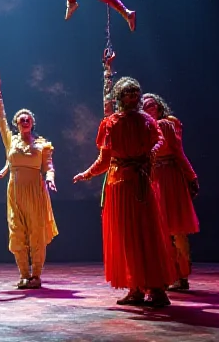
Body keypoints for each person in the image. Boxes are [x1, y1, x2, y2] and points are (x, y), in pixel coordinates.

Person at [73, 77, 175, 308]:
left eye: (135, 93)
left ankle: (157, 288)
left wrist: (148, 156)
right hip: (120, 186)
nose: (133, 97)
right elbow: (105, 159)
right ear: (120, 97)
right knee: (127, 238)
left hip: (139, 184)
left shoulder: (148, 121)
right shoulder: (111, 123)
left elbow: (158, 143)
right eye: (128, 94)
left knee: (147, 234)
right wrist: (87, 174)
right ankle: (135, 288)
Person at [0, 70, 58, 289]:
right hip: (15, 190)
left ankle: (36, 275)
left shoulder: (43, 144)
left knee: (36, 233)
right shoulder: (11, 141)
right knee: (17, 231)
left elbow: (49, 166)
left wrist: (50, 179)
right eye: (21, 119)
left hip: (35, 191)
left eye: (28, 119)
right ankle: (23, 274)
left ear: (32, 123)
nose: (25, 120)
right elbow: (0, 119)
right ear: (17, 123)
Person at [142, 92, 199, 292]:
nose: (151, 108)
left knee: (177, 228)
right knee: (161, 231)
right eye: (146, 105)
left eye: (153, 104)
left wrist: (191, 176)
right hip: (155, 178)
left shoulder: (168, 124)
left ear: (159, 106)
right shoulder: (144, 127)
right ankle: (169, 274)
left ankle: (182, 276)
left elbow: (179, 152)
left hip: (171, 178)